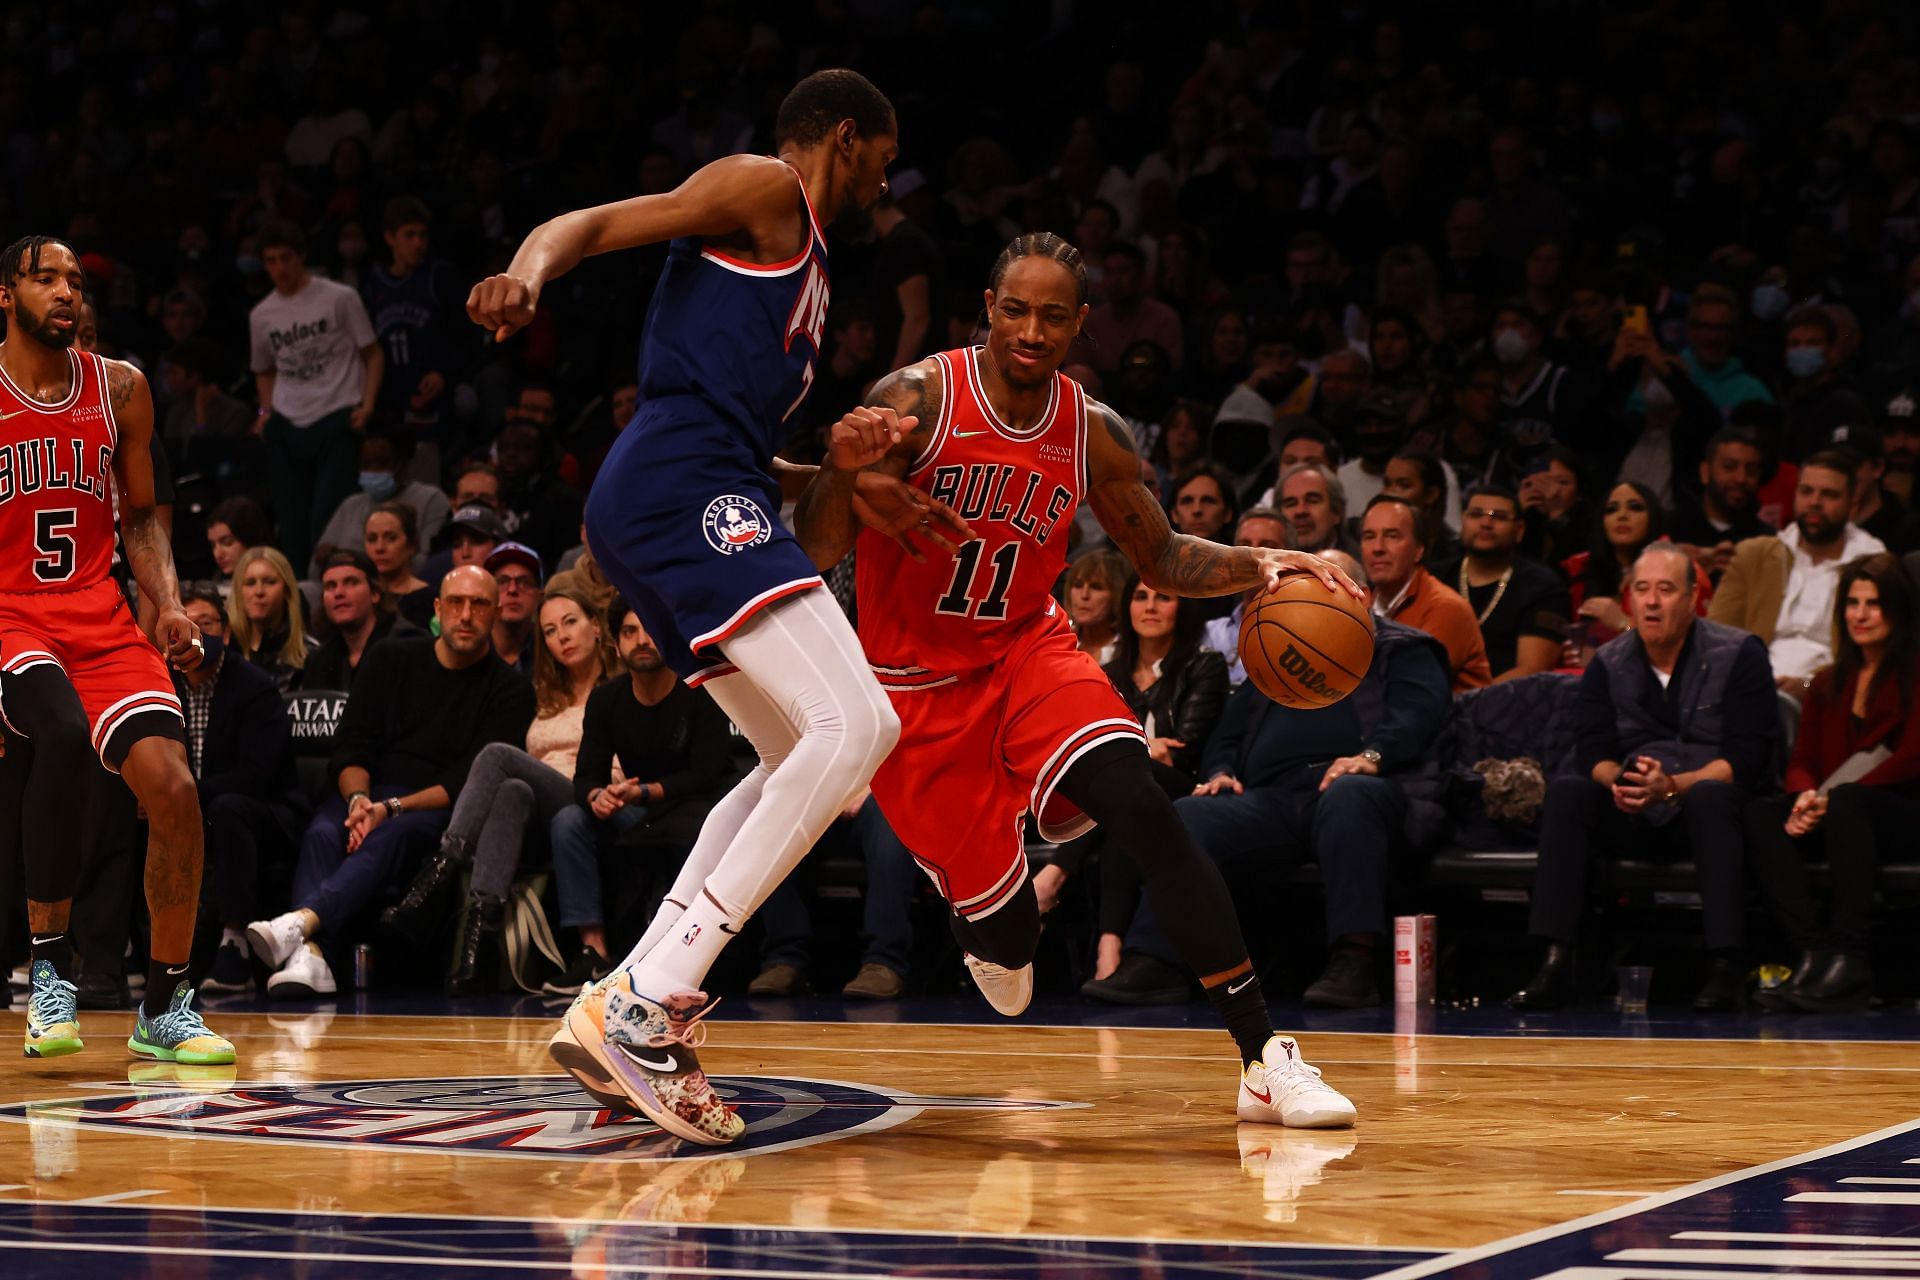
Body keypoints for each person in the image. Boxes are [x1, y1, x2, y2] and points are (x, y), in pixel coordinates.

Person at [794, 233, 1362, 1130]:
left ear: (1081, 325)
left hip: (1028, 651)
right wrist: (844, 465)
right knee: (1009, 941)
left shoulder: (1090, 430)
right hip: (913, 691)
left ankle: (1263, 1058)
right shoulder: (914, 400)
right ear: (988, 307)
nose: (1031, 329)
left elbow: (1164, 555)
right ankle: (986, 912)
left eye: (1053, 316)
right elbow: (821, 545)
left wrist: (1271, 562)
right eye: (1015, 310)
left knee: (1140, 797)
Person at [469, 70, 913, 1146]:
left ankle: (627, 985)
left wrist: (838, 461)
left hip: (696, 487)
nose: (885, 186)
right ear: (843, 139)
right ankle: (651, 1002)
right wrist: (527, 274)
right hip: (681, 479)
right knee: (861, 724)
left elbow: (786, 489)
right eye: (882, 161)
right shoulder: (767, 189)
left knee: (786, 755)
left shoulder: (805, 277)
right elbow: (593, 219)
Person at [0, 236, 232, 1064]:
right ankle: (52, 967)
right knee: (60, 734)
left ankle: (166, 1004)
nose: (66, 291)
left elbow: (139, 517)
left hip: (99, 612)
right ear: (6, 296)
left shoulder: (122, 389)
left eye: (74, 280)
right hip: (11, 612)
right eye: (45, 278)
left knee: (172, 788)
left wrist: (165, 604)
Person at [1090, 550, 1453, 1010]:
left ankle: (1354, 960)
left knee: (1352, 795)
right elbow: (1228, 734)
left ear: (1356, 594)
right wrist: (1221, 772)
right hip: (1275, 800)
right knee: (1192, 812)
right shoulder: (1277, 647)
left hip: (1370, 792)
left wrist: (1370, 756)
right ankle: (1156, 961)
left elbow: (1418, 717)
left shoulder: (1404, 648)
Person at [1510, 543, 1777, 1012]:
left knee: (1712, 798)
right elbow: (1592, 750)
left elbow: (1748, 756)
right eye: (1642, 589)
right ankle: (1556, 961)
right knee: (1571, 793)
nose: (1652, 601)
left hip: (1708, 813)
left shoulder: (1740, 653)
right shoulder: (1607, 663)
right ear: (1629, 597)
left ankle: (1725, 967)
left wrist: (1673, 785)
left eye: (1666, 590)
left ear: (1693, 599)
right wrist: (1626, 783)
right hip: (1634, 811)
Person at [246, 566, 536, 998]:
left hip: (438, 809)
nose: (466, 615)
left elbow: (468, 779)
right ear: (438, 608)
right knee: (325, 831)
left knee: (390, 836)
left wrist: (391, 809)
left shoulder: (511, 689)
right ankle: (313, 956)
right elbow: (352, 745)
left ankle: (302, 925)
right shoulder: (392, 658)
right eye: (456, 603)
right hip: (368, 796)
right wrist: (360, 801)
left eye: (479, 605)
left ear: (495, 613)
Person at [384, 583, 618, 994]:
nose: (561, 636)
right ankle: (477, 947)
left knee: (497, 756)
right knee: (511, 791)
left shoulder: (617, 690)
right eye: (548, 630)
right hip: (542, 812)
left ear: (596, 627)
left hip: (593, 799)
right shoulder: (545, 694)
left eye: (570, 623)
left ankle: (442, 867)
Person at [1744, 553, 1920, 1013]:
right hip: (1840, 811)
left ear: (1899, 610)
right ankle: (1812, 950)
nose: (1860, 615)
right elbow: (1802, 759)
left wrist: (1830, 801)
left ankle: (1851, 959)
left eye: (1874, 604)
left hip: (1902, 814)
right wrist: (1806, 796)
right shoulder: (1827, 682)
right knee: (1761, 813)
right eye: (1852, 603)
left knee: (1849, 802)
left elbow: (1910, 759)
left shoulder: (1915, 673)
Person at [1039, 569, 1229, 981]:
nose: (1149, 606)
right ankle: (1112, 945)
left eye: (1163, 598)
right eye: (1141, 597)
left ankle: (1052, 877)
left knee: (1122, 777)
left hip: (1186, 789)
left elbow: (1185, 748)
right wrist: (1142, 748)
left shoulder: (1204, 664)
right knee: (1123, 803)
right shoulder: (1110, 668)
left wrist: (1133, 747)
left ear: (1184, 607)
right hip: (1133, 793)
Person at [547, 597, 735, 991]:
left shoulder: (699, 691)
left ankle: (685, 958)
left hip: (689, 807)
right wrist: (597, 796)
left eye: (649, 630)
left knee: (696, 824)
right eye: (630, 632)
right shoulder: (606, 699)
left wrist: (647, 791)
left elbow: (708, 772)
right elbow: (585, 776)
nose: (642, 640)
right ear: (616, 645)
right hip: (636, 808)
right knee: (570, 820)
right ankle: (593, 951)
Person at [249, 218, 384, 572]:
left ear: (301, 257)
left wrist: (367, 406)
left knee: (327, 516)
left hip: (336, 412)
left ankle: (332, 587)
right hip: (288, 421)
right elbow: (263, 370)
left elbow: (372, 353)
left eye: (285, 258)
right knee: (291, 524)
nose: (279, 268)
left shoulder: (339, 298)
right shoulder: (262, 314)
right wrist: (265, 413)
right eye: (271, 260)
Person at [178, 617, 301, 994]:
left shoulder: (255, 688)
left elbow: (257, 775)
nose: (196, 634)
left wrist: (185, 795)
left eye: (207, 623)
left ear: (227, 633)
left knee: (228, 808)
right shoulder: (162, 685)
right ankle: (122, 947)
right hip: (190, 806)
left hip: (266, 814)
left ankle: (235, 943)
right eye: (187, 625)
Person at [1709, 449, 1887, 693]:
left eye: (1829, 495)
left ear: (1852, 506)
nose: (1814, 502)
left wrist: (1808, 686)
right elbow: (1717, 635)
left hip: (1834, 694)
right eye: (1806, 492)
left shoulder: (1873, 564)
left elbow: (1874, 655)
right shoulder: (1755, 555)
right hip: (1750, 686)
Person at [1432, 483, 1571, 681]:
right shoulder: (1434, 577)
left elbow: (1532, 671)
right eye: (1476, 514)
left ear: (1520, 529)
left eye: (1499, 517)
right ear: (1463, 521)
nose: (1486, 523)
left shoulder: (1542, 586)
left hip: (1505, 704)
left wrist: (1463, 703)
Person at [1360, 495, 1490, 690]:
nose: (1378, 548)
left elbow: (1405, 687)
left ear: (1419, 550)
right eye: (1369, 536)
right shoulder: (1362, 603)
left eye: (1392, 536)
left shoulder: (1446, 608)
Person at [309, 434, 451, 578]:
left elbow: (427, 561)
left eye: (381, 464)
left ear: (400, 465)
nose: (373, 471)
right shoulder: (351, 505)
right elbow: (315, 566)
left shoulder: (430, 499)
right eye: (367, 465)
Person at [1671, 426, 1776, 581]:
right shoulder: (1670, 528)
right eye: (1729, 467)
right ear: (1705, 472)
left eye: (1751, 470)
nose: (1741, 478)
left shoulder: (1768, 542)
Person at [1201, 508, 1290, 685]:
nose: (1255, 557)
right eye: (1245, 547)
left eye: (1268, 547)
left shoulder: (1305, 631)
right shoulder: (1210, 633)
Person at [305, 551, 410, 691]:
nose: (338, 593)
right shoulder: (318, 660)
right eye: (330, 586)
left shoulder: (406, 646)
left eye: (351, 582)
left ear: (375, 594)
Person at [224, 546, 317, 691]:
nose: (259, 591)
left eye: (269, 582)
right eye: (250, 583)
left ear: (286, 591)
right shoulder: (224, 654)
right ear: (238, 592)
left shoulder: (311, 654)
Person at [363, 500, 435, 628]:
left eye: (391, 538)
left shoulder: (429, 601)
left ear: (411, 545)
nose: (379, 548)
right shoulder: (360, 599)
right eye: (372, 539)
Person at [484, 541, 545, 675]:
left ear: (540, 596)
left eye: (525, 582)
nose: (512, 589)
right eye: (502, 581)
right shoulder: (469, 650)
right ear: (486, 594)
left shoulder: (552, 653)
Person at [1277, 462, 1357, 556]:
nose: (1300, 511)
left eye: (1312, 501)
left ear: (1337, 512)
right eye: (1291, 504)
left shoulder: (1363, 563)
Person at [203, 496, 274, 600]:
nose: (217, 554)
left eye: (227, 542)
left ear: (250, 539)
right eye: (213, 545)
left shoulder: (279, 587)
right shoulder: (213, 592)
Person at [1064, 548, 1127, 662]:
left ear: (1117, 594)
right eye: (1078, 585)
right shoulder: (1057, 641)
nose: (1084, 595)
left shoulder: (1130, 652)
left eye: (1096, 587)